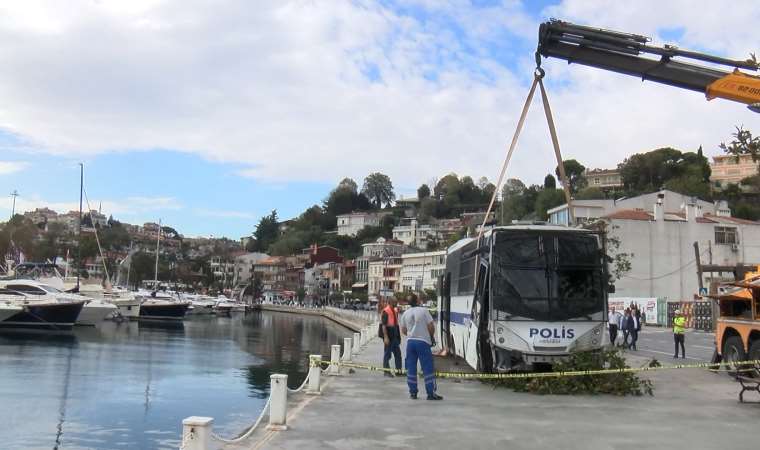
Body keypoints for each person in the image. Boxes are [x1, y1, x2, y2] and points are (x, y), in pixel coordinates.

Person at [400, 293, 442, 400]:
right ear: (418, 300)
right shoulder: (424, 311)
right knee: (427, 367)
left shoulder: (405, 313)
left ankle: (413, 392)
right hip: (423, 342)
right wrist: (431, 337)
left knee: (411, 367)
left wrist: (411, 334)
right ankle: (430, 393)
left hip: (410, 343)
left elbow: (403, 330)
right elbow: (431, 326)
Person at [380, 298, 402, 377]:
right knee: (387, 354)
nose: (397, 303)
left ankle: (398, 371)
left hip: (394, 334)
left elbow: (396, 323)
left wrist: (398, 336)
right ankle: (386, 371)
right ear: (391, 302)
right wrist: (385, 337)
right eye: (395, 302)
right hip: (389, 334)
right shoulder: (386, 311)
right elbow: (384, 325)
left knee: (398, 354)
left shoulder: (394, 310)